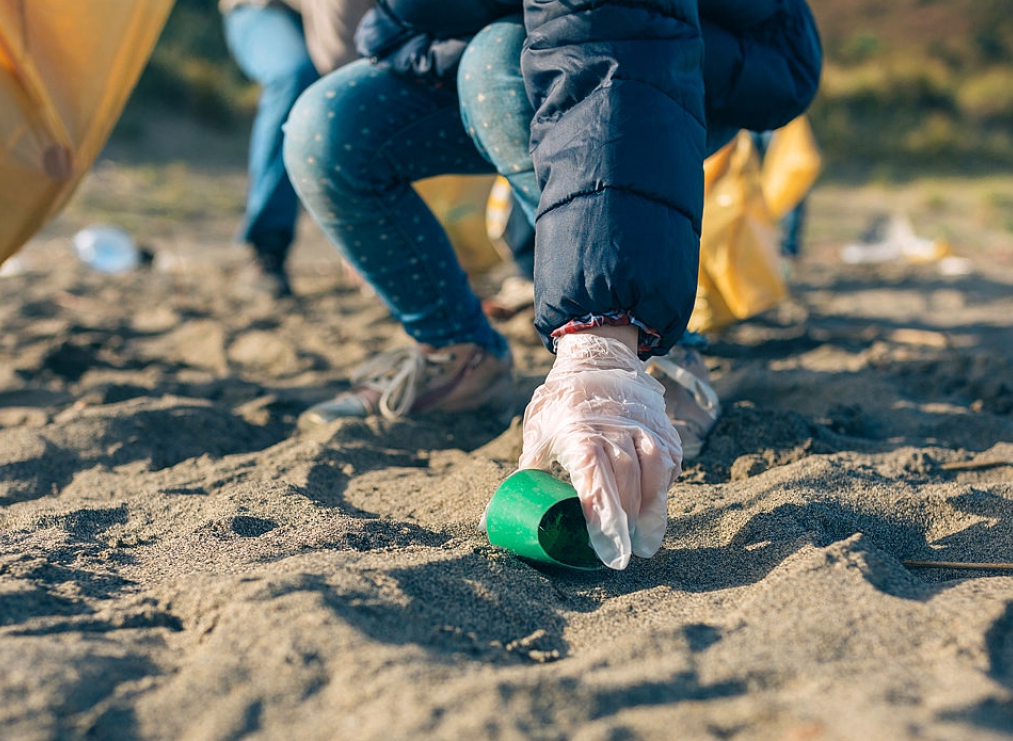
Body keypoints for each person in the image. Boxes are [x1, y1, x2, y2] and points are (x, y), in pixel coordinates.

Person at [284, 0, 821, 568]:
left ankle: (652, 357)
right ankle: (461, 355)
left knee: (496, 64)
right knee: (329, 124)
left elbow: (609, 40)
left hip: (678, 45)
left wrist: (605, 339)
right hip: (498, 40)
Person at [220, 0, 375, 297]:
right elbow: (345, 67)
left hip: (340, 17)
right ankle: (268, 247)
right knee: (295, 73)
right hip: (263, 10)